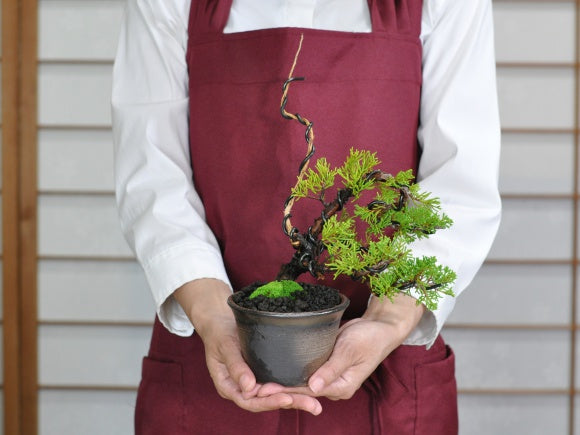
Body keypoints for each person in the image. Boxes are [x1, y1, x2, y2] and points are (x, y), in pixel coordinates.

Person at [112, 1, 501, 434]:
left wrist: (391, 317)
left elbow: (460, 184)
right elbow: (151, 172)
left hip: (384, 365)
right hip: (212, 348)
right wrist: (210, 313)